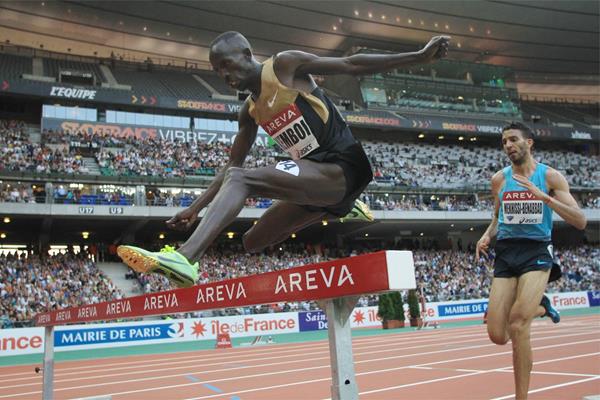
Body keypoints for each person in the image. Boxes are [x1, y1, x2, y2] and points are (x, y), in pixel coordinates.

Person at [118, 31, 450, 287]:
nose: (225, 76)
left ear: (247, 54)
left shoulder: (284, 66)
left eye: (228, 65)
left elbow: (351, 65)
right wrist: (194, 208)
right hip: (316, 184)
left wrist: (418, 56)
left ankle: (187, 258)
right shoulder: (248, 111)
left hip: (344, 166)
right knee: (253, 241)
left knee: (242, 180)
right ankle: (341, 207)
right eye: (218, 72)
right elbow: (230, 167)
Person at [476, 122, 587, 400]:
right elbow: (497, 217)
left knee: (517, 325)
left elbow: (580, 221)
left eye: (513, 140)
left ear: (529, 143)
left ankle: (521, 397)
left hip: (537, 251)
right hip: (506, 252)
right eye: (504, 142)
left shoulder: (550, 178)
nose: (508, 146)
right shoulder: (499, 180)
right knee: (497, 334)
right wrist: (486, 235)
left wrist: (544, 199)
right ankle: (541, 306)